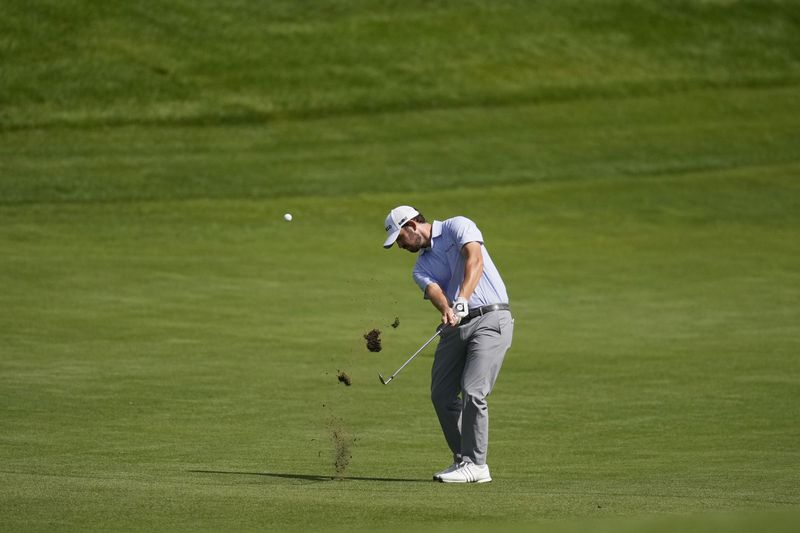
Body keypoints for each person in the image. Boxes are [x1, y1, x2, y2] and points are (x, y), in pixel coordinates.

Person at [382, 205, 514, 483]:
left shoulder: (458, 225)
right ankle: (464, 459)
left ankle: (478, 465)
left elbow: (474, 260)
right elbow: (434, 291)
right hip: (457, 326)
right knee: (441, 395)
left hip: (491, 318)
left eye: (400, 238)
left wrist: (463, 297)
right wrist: (447, 309)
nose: (400, 246)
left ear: (411, 225)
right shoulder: (420, 266)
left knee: (473, 389)